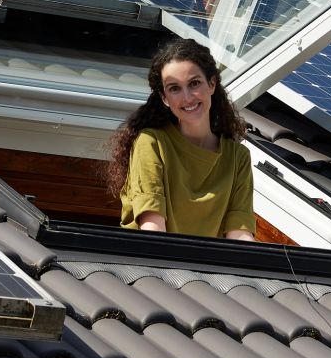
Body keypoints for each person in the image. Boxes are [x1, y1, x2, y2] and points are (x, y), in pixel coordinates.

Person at [106, 38, 256, 240]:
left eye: (194, 83)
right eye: (174, 88)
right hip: (155, 264)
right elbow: (152, 230)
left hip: (209, 270)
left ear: (211, 84)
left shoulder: (238, 157)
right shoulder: (151, 143)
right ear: (164, 98)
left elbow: (240, 235)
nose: (187, 98)